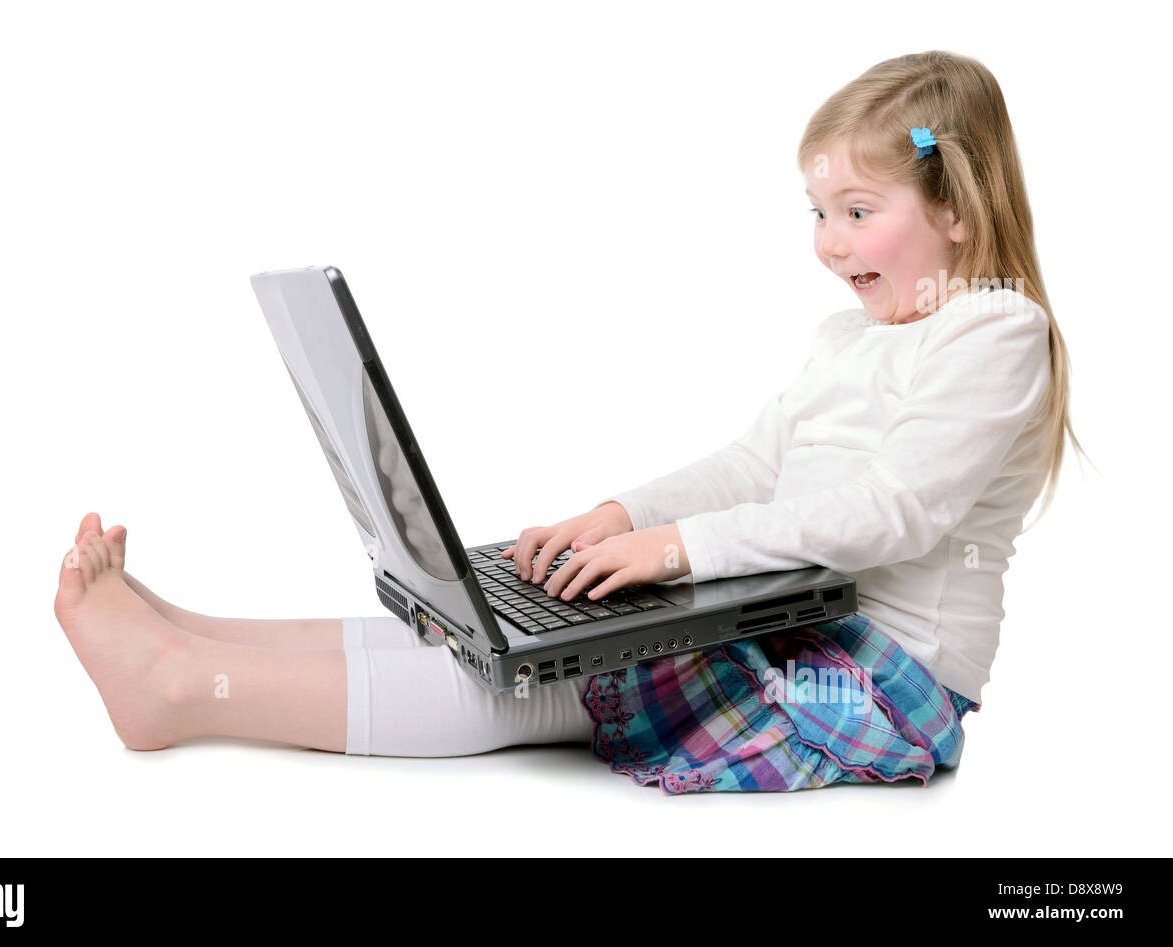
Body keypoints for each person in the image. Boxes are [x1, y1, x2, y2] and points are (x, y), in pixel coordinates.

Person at [53, 50, 1085, 793]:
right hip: (793, 608)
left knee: (532, 683)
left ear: (956, 207)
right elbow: (754, 460)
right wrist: (620, 514)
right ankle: (193, 632)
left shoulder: (994, 331)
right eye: (816, 213)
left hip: (875, 667)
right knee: (498, 626)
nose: (827, 242)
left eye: (860, 212)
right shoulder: (844, 337)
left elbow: (892, 511)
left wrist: (674, 552)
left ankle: (186, 686)